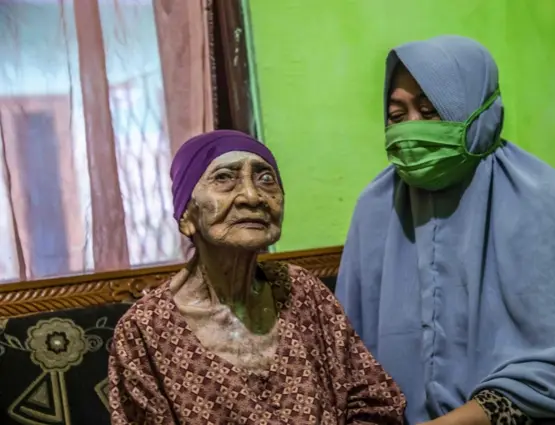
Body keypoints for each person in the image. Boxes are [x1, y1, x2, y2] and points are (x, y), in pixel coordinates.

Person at [336, 35, 555, 425]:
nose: (412, 130)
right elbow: (348, 358)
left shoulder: (547, 203)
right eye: (397, 116)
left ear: (481, 113)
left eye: (430, 112)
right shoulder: (376, 209)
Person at [108, 130, 406, 424]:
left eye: (266, 179)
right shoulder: (144, 330)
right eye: (224, 178)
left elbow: (373, 401)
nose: (253, 196)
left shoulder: (301, 290)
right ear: (185, 216)